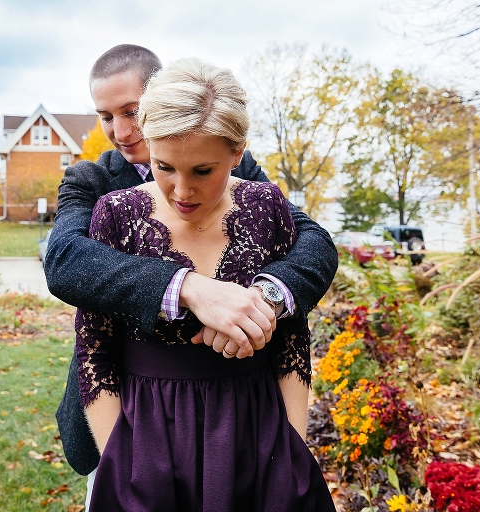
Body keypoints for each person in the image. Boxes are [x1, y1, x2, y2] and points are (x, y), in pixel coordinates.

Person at [45, 44, 337, 496]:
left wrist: (265, 300)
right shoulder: (95, 185)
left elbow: (311, 241)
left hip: (249, 428)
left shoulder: (245, 178)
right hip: (136, 425)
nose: (121, 131)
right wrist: (189, 288)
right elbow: (64, 261)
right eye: (105, 116)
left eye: (130, 111)